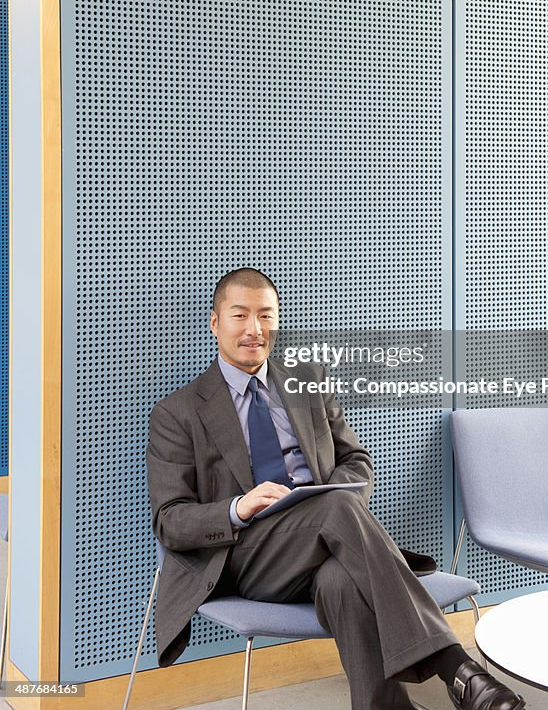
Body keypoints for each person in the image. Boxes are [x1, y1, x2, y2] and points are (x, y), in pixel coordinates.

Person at [146, 267, 525, 710]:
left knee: (342, 579)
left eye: (266, 316)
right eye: (240, 316)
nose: (254, 329)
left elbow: (356, 462)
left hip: (331, 544)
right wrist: (239, 507)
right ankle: (456, 668)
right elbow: (170, 521)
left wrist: (329, 499)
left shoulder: (308, 380)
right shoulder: (178, 412)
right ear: (215, 323)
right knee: (335, 509)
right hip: (249, 554)